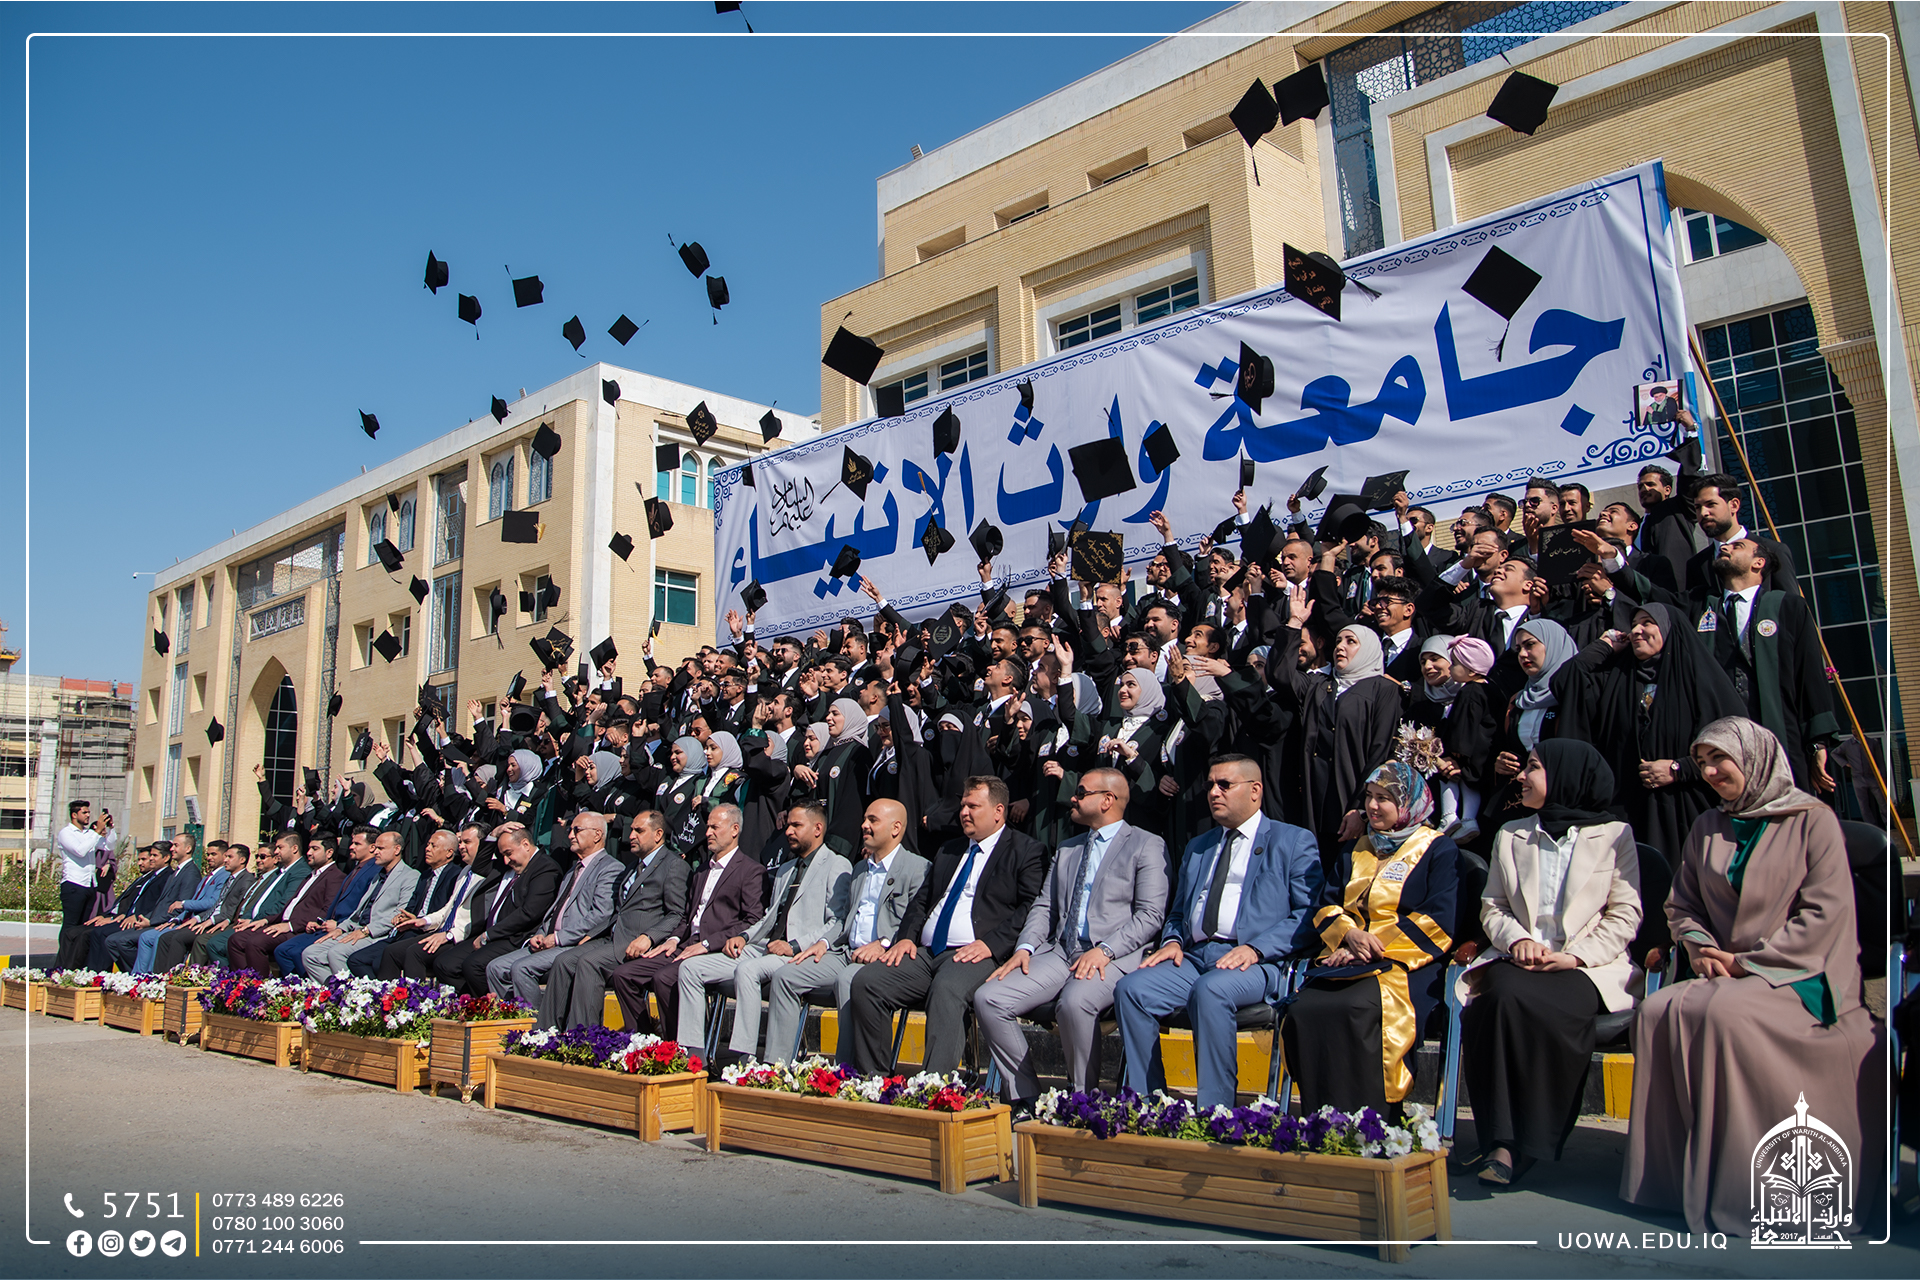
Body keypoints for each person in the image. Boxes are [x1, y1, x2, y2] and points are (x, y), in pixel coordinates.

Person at [1622, 717, 1883, 1236]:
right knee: (1655, 1011)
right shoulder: (1707, 825)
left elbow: (1823, 916)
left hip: (1804, 976)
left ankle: (1745, 1191)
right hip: (1726, 970)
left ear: (1756, 759)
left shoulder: (1814, 821)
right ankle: (1668, 1184)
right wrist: (1701, 948)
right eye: (1702, 762)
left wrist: (1745, 963)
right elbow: (1682, 905)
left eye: (1720, 759)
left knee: (1724, 1013)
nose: (1710, 772)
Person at [1459, 740, 1641, 1186]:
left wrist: (1575, 956)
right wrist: (1519, 940)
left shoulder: (1615, 835)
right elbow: (1493, 906)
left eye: (1533, 768)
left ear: (1565, 776)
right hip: (1519, 959)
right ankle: (1502, 1143)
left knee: (1544, 1007)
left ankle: (1534, 1139)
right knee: (1496, 1001)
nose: (1521, 777)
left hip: (1587, 966)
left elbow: (1625, 914)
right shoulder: (1511, 834)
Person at [1114, 755, 1322, 1110]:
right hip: (1195, 959)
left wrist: (1256, 949)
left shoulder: (1291, 841)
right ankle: (1148, 1103)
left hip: (1258, 963)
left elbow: (1308, 915)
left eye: (1224, 785)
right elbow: (1179, 911)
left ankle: (1216, 1111)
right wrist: (1173, 940)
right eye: (1210, 785)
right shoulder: (1200, 846)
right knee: (1131, 989)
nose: (1213, 792)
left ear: (1255, 791)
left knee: (1210, 991)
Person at [974, 768, 1168, 1107]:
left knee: (1074, 1003)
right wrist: (1025, 948)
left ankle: (1082, 1102)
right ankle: (1026, 1097)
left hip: (1113, 956)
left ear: (1107, 800)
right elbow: (1045, 906)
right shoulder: (1067, 849)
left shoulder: (1146, 844)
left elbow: (1150, 915)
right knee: (989, 998)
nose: (1072, 799)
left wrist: (1106, 950)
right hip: (1060, 953)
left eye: (1080, 792)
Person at [1282, 761, 1458, 1116]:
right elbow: (1326, 904)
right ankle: (1320, 1119)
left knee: (1356, 1008)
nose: (1372, 806)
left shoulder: (1438, 850)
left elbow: (1437, 920)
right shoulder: (1356, 848)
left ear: (1407, 803)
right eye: (1369, 796)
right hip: (1343, 958)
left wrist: (1370, 947)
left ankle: (1373, 1120)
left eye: (1384, 798)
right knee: (1303, 1008)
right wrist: (1348, 935)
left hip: (1404, 964)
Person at [840, 776, 1045, 1076]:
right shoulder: (949, 850)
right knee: (867, 982)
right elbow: (922, 901)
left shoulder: (1025, 850)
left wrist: (991, 944)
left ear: (998, 811)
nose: (964, 812)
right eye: (962, 805)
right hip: (925, 953)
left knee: (946, 989)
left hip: (976, 953)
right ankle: (875, 1081)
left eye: (973, 806)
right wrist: (906, 938)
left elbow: (1030, 908)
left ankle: (934, 1087)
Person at [1563, 603, 1744, 858]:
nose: (1636, 630)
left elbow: (1735, 743)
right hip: (1630, 811)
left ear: (1669, 629)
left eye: (1647, 623)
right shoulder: (1619, 678)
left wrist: (1679, 768)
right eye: (1633, 625)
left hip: (1685, 811)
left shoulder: (1699, 679)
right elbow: (1568, 680)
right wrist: (1604, 646)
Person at [678, 803, 851, 1064]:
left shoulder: (837, 865)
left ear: (818, 828)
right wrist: (745, 937)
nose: (788, 831)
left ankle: (744, 1059)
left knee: (747, 971)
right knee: (690, 968)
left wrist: (794, 945)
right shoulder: (786, 868)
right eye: (788, 825)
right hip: (764, 947)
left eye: (796, 825)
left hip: (796, 953)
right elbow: (768, 917)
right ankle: (694, 1057)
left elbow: (837, 921)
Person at [761, 800, 929, 1063]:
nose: (864, 825)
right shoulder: (860, 868)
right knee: (785, 976)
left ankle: (846, 1071)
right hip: (845, 952)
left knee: (848, 979)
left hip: (882, 957)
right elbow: (845, 919)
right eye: (865, 819)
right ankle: (776, 1067)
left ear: (896, 828)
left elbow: (916, 922)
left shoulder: (918, 868)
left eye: (873, 820)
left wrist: (884, 943)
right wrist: (824, 942)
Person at [607, 804, 764, 1036]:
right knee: (624, 975)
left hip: (715, 950)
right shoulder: (701, 870)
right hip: (685, 944)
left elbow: (752, 921)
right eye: (707, 827)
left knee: (664, 978)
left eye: (715, 827)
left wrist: (707, 944)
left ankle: (675, 1047)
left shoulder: (750, 870)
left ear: (734, 830)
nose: (708, 832)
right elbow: (687, 915)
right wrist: (672, 939)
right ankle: (643, 1040)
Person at [535, 812, 691, 1029]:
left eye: (639, 831)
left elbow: (677, 914)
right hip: (611, 936)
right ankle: (546, 1033)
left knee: (589, 963)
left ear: (658, 835)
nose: (631, 835)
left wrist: (649, 937)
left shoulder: (673, 865)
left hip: (635, 942)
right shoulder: (632, 866)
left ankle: (583, 1037)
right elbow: (619, 911)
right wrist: (592, 933)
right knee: (564, 961)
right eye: (632, 830)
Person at [485, 812, 623, 1007]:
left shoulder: (610, 868)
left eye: (577, 830)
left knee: (521, 968)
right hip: (550, 940)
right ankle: (511, 1016)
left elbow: (600, 915)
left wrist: (558, 938)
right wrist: (541, 934)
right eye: (570, 830)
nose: (570, 835)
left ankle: (534, 1022)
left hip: (574, 943)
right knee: (495, 968)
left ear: (597, 835)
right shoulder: (573, 870)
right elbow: (556, 910)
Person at [55, 801, 115, 948]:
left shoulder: (89, 833)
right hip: (73, 884)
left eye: (89, 812)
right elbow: (80, 851)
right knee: (70, 924)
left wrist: (110, 828)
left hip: (89, 885)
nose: (88, 815)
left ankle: (76, 955)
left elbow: (108, 846)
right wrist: (96, 832)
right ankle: (63, 956)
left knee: (83, 925)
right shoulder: (66, 833)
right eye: (84, 812)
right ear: (74, 815)